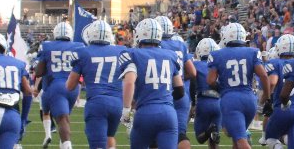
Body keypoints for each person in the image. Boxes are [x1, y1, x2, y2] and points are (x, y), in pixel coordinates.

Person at [120, 18, 185, 149]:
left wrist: (127, 109)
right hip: (169, 114)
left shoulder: (133, 54)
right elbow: (180, 91)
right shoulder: (171, 55)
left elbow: (129, 82)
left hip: (145, 112)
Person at [206, 22, 270, 149]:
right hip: (250, 99)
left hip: (231, 100)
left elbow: (210, 80)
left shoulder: (217, 54)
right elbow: (263, 75)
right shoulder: (253, 52)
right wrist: (268, 98)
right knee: (237, 139)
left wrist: (221, 88)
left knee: (240, 140)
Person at [67, 21, 128, 149]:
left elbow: (70, 86)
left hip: (97, 103)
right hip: (117, 104)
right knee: (110, 137)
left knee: (97, 145)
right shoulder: (121, 51)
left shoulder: (83, 53)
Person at [35, 22, 85, 149]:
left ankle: (67, 145)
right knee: (64, 118)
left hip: (56, 86)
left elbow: (39, 72)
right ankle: (63, 145)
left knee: (61, 119)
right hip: (74, 87)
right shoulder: (79, 46)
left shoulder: (47, 46)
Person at [154, 16, 196, 149]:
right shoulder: (181, 45)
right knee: (180, 134)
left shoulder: (156, 46)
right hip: (181, 94)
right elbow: (193, 72)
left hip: (162, 94)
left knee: (154, 135)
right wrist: (179, 79)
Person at [259, 35, 294, 149]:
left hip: (281, 109)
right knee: (291, 139)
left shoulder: (275, 63)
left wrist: (265, 101)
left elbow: (272, 82)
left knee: (270, 138)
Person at [189, 38, 222, 148]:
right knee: (214, 141)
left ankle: (208, 131)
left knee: (200, 138)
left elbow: (192, 84)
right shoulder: (220, 65)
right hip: (219, 102)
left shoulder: (196, 64)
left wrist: (193, 103)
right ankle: (211, 131)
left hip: (204, 101)